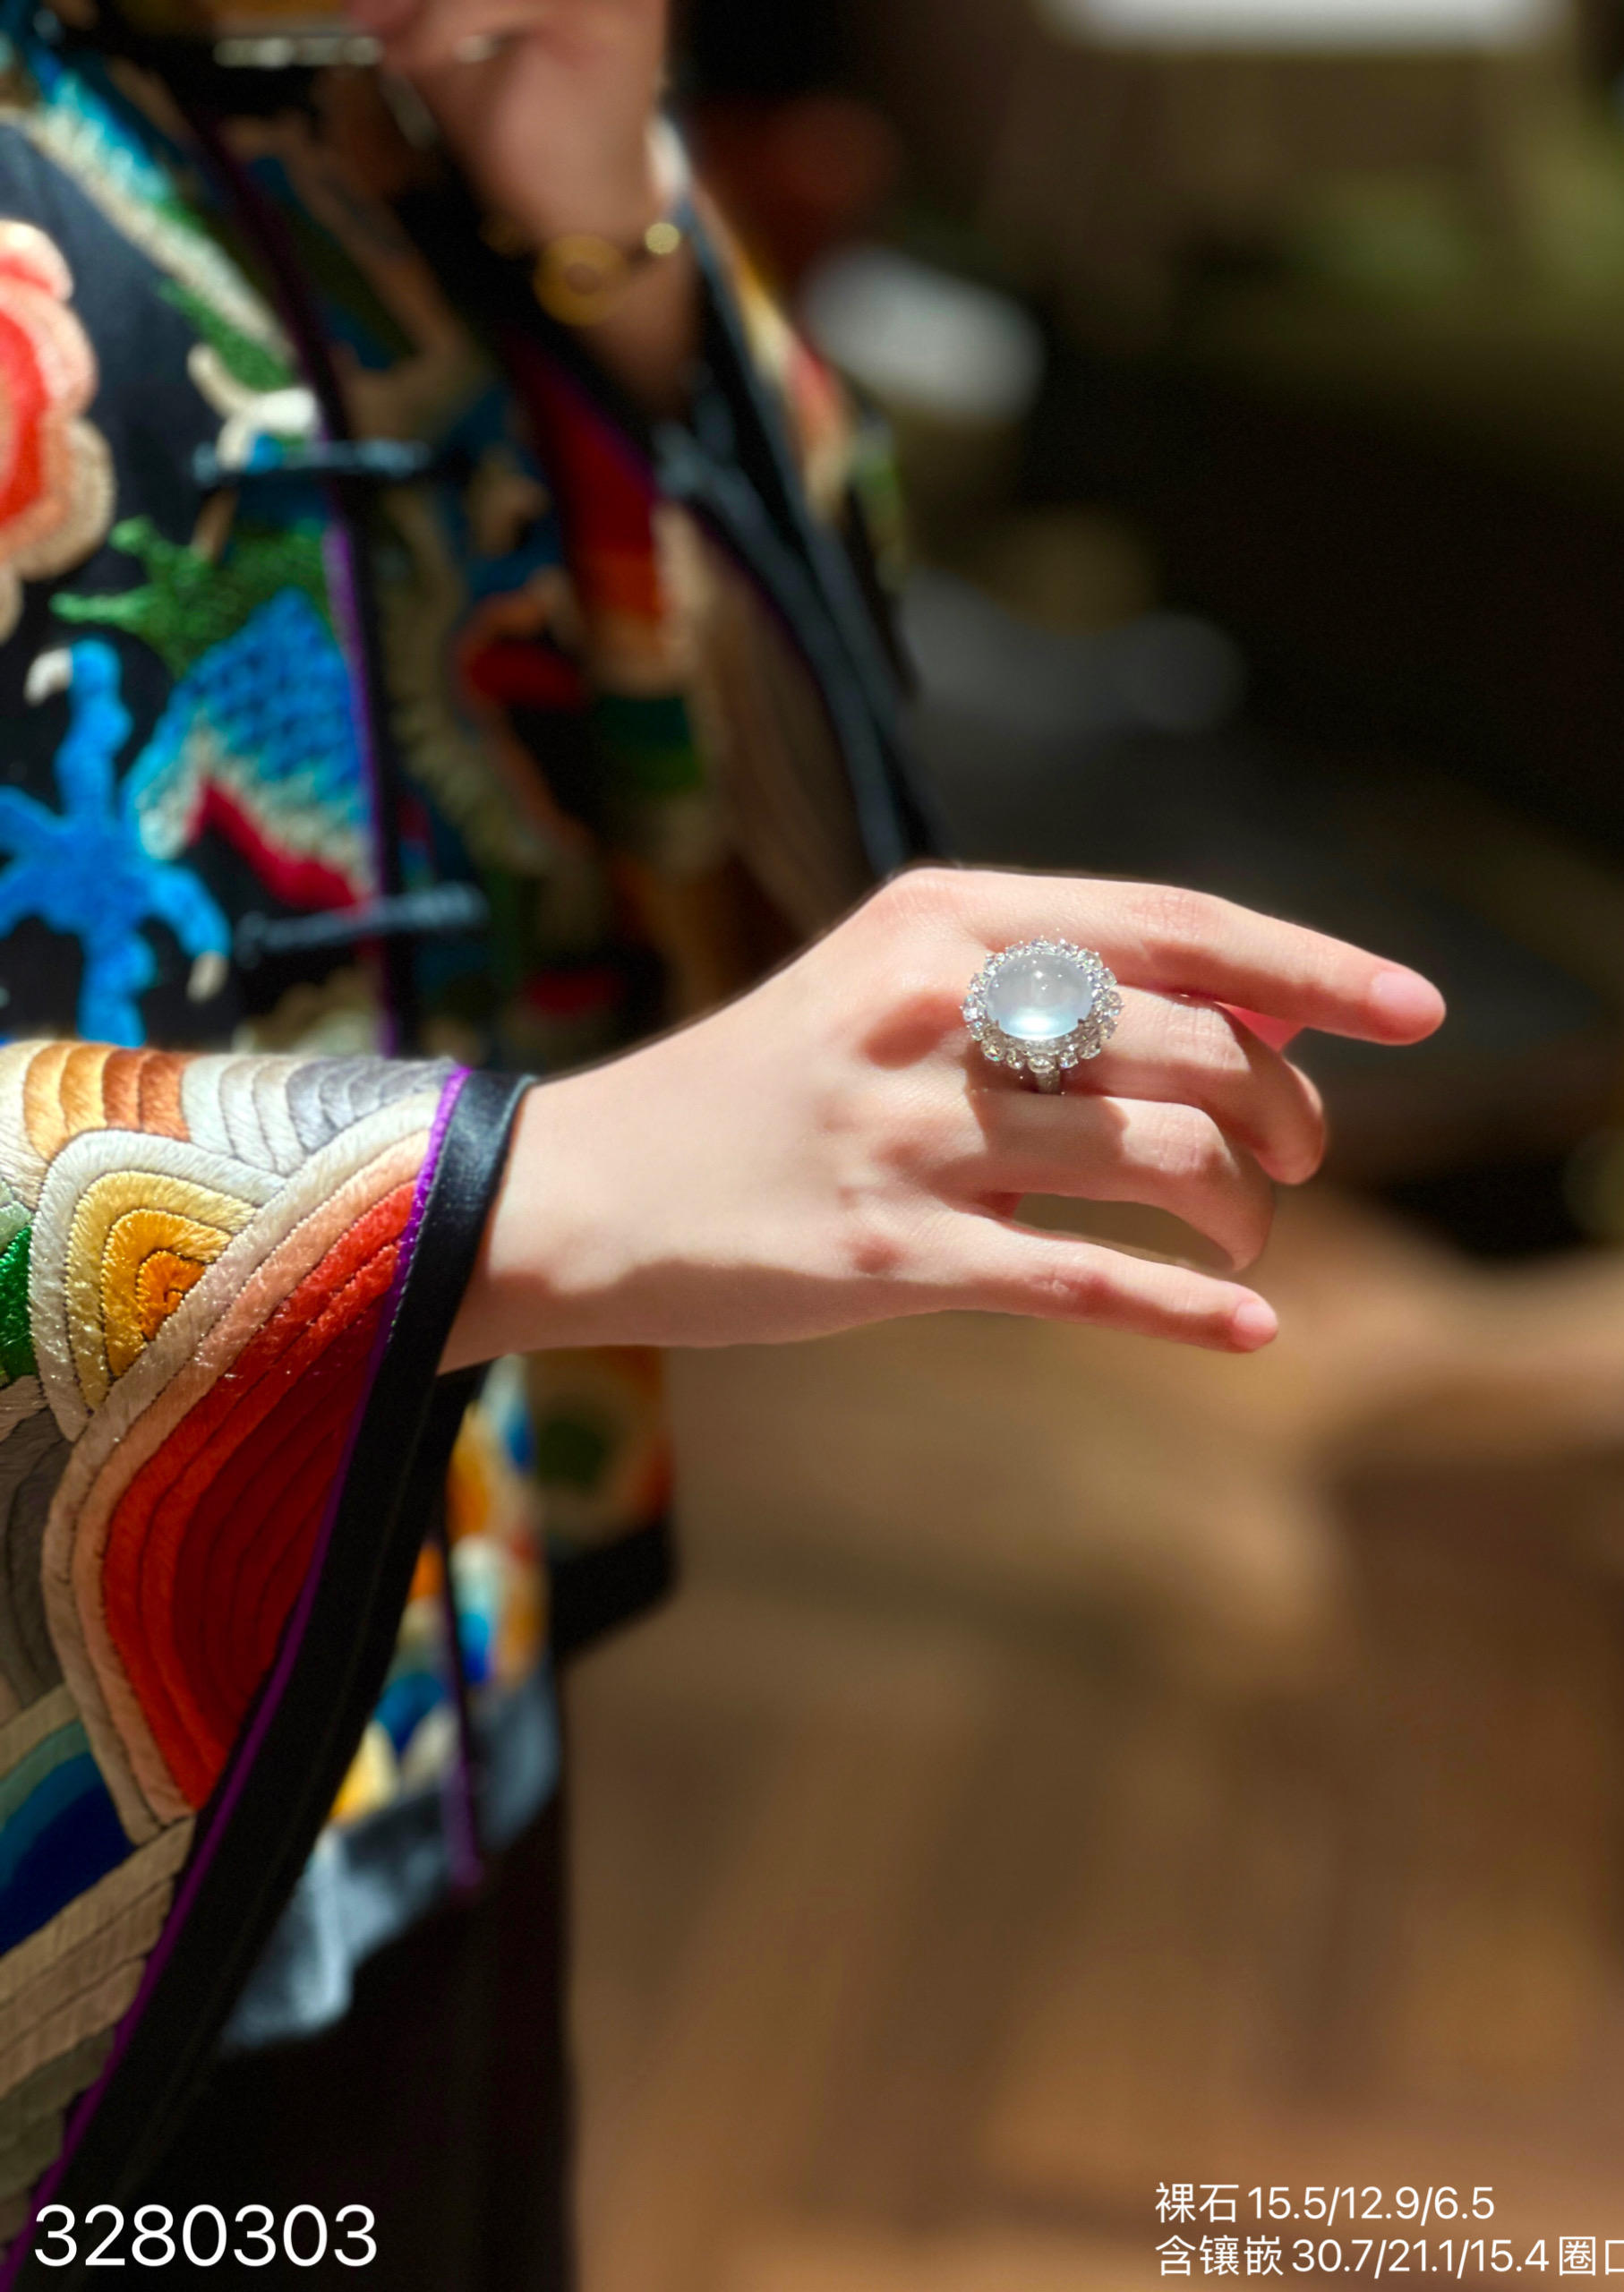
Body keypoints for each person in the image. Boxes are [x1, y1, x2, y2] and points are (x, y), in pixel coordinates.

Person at [0, 0, 1448, 2274]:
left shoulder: (371, 93)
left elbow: (771, 733)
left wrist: (604, 243)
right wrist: (506, 1196)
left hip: (418, 1641)